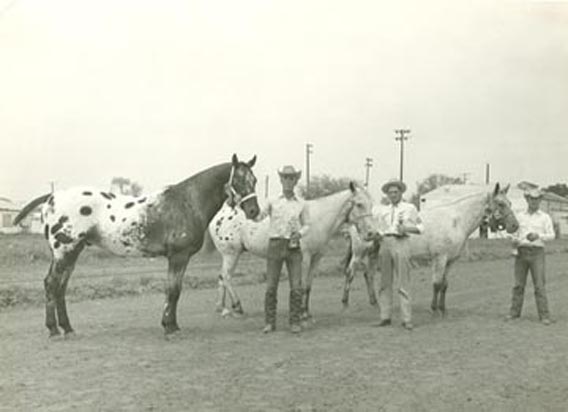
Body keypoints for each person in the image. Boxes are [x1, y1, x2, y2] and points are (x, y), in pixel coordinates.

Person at [260, 165, 310, 334]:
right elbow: (259, 215)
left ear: (296, 180)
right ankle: (269, 322)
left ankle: (294, 322)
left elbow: (308, 224)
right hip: (275, 245)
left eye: (292, 178)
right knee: (271, 286)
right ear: (280, 180)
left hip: (294, 247)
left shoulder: (301, 203)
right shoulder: (272, 200)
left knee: (296, 286)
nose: (289, 181)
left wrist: (300, 233)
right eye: (285, 178)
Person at [375, 179, 423, 330]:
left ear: (401, 193)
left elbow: (421, 227)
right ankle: (385, 316)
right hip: (385, 243)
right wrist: (375, 235)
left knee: (403, 281)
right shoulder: (382, 210)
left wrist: (407, 229)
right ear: (387, 195)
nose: (393, 195)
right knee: (384, 282)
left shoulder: (410, 208)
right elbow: (379, 228)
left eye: (396, 192)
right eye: (390, 193)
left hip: (401, 242)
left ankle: (406, 319)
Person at [505, 188, 554, 325]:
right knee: (518, 285)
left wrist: (538, 236)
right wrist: (513, 238)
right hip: (521, 251)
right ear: (527, 200)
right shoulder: (519, 216)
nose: (534, 201)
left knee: (539, 285)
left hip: (537, 252)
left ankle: (544, 315)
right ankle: (514, 313)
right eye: (532, 199)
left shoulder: (545, 217)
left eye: (537, 199)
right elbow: (512, 233)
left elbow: (551, 235)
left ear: (540, 200)